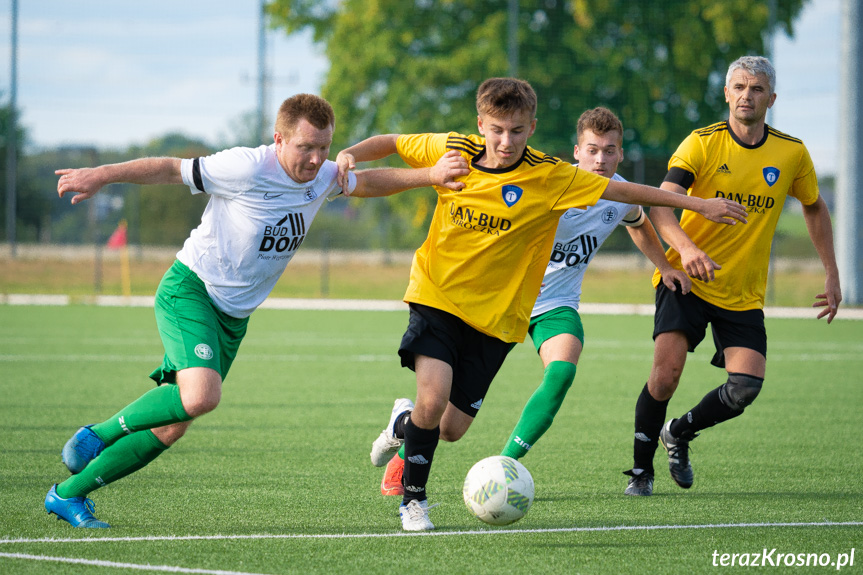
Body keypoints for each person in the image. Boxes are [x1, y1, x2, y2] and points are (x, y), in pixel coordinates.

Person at [336, 77, 748, 531]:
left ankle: (404, 423)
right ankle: (414, 502)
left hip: (501, 315)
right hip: (437, 295)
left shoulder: (550, 176)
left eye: (516, 131)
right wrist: (349, 155)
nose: (505, 141)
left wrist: (698, 206)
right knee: (432, 404)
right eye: (496, 130)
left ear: (531, 128)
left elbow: (629, 199)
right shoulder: (454, 149)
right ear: (481, 125)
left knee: (450, 427)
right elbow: (393, 143)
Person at [46, 93, 469, 529]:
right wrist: (100, 175)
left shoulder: (323, 176)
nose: (316, 158)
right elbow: (171, 168)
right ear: (279, 139)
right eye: (306, 147)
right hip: (190, 290)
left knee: (174, 423)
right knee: (200, 397)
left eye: (323, 147)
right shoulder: (246, 166)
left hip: (233, 318)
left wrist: (431, 175)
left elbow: (372, 183)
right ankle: (98, 434)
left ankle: (68, 495)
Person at [377, 107, 693, 495]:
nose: (600, 159)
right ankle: (404, 428)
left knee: (561, 373)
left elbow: (639, 222)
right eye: (592, 150)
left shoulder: (619, 196)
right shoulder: (545, 181)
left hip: (555, 304)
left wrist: (666, 265)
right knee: (444, 423)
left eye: (610, 151)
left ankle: (505, 465)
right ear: (576, 152)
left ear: (621, 155)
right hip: (501, 301)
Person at [623, 55, 842, 497]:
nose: (747, 95)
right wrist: (686, 249)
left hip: (741, 292)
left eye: (757, 89)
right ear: (726, 94)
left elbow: (815, 206)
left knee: (745, 388)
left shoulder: (791, 152)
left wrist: (832, 272)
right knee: (665, 376)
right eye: (739, 87)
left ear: (772, 98)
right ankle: (641, 471)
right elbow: (661, 204)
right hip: (684, 279)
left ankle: (679, 433)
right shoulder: (701, 144)